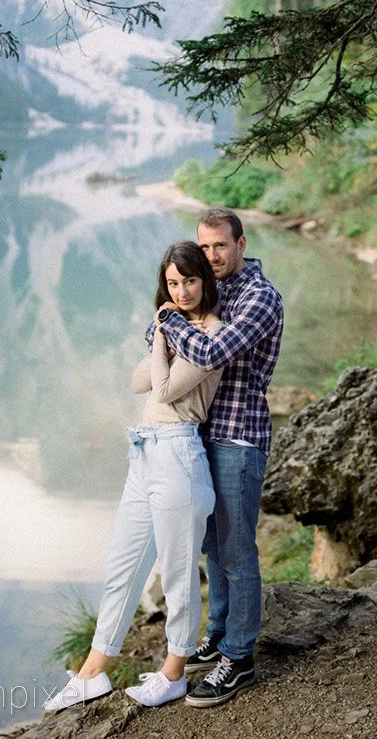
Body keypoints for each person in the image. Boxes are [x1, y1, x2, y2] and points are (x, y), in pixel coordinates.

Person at [45, 240, 224, 713]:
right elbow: (136, 380)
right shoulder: (180, 329)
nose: (181, 291)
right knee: (123, 569)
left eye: (189, 281)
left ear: (204, 280)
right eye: (172, 283)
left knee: (178, 577)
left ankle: (174, 674)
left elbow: (163, 388)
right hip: (145, 455)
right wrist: (165, 335)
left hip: (180, 459)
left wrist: (164, 332)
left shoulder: (211, 335)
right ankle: (92, 672)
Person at [151, 207, 283, 708]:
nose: (211, 257)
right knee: (210, 545)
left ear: (241, 243)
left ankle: (240, 659)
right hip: (202, 436)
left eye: (220, 246)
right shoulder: (211, 289)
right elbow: (154, 339)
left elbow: (207, 354)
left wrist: (168, 321)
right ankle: (221, 632)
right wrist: (168, 323)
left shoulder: (259, 298)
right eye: (204, 248)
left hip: (239, 438)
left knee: (235, 549)